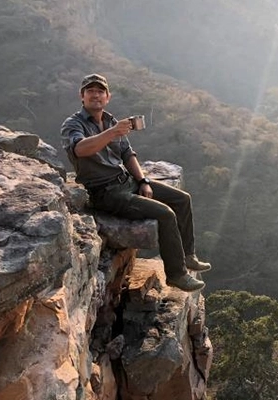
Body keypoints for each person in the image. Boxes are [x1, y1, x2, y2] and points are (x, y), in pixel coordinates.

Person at [61, 73, 211, 292]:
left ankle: (188, 256)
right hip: (105, 192)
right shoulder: (74, 124)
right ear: (81, 96)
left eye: (100, 91)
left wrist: (143, 181)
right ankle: (176, 275)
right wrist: (112, 133)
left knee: (182, 199)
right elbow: (80, 149)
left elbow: (127, 154)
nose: (96, 95)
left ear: (107, 97)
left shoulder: (111, 121)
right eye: (90, 91)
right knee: (166, 214)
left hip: (126, 181)